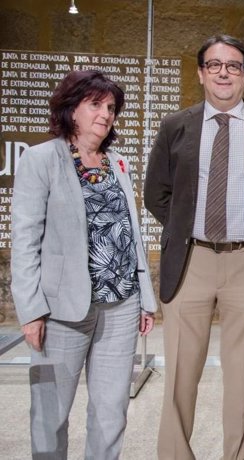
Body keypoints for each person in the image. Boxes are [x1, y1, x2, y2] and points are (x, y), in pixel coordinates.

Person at [144, 34, 244, 459]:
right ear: (200, 74)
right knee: (180, 370)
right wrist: (185, 230)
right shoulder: (175, 126)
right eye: (214, 64)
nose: (223, 72)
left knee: (242, 373)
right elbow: (155, 194)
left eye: (233, 65)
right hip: (190, 260)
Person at [11, 69, 157, 459]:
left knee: (111, 413)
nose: (105, 114)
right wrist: (31, 311)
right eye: (95, 105)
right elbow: (24, 242)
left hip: (121, 306)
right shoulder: (41, 160)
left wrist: (145, 298)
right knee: (49, 412)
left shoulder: (117, 162)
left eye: (110, 107)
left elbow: (130, 232)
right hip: (60, 310)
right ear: (72, 109)